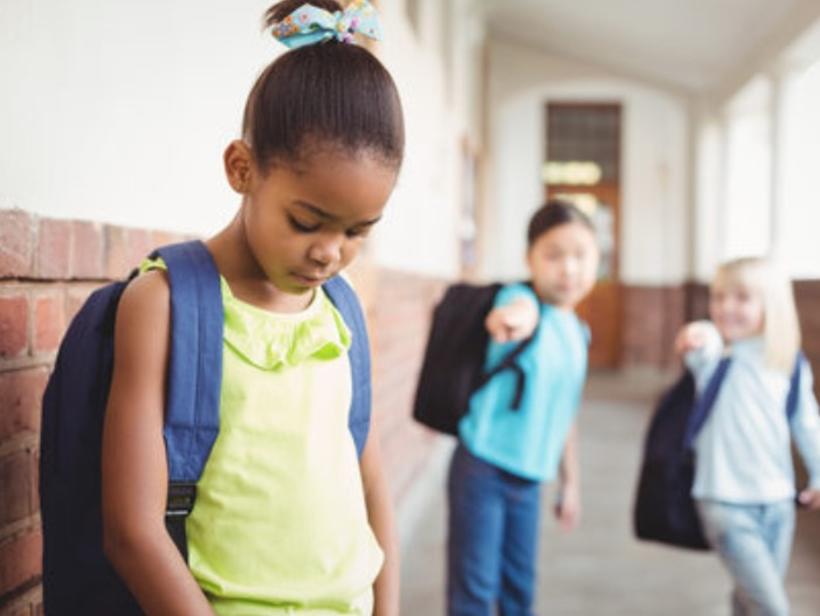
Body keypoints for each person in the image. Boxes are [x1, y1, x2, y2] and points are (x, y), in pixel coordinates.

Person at [100, 1, 404, 614]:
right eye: (306, 221)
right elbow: (131, 531)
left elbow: (368, 480)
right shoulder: (165, 305)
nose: (329, 254)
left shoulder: (340, 312)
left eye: (357, 232)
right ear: (242, 168)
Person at [447, 200, 600, 616]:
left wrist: (570, 483)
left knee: (519, 591)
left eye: (580, 256)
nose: (568, 269)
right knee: (474, 590)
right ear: (529, 259)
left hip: (531, 479)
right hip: (483, 467)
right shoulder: (521, 299)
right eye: (553, 255)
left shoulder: (578, 332)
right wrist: (510, 321)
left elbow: (565, 413)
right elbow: (516, 313)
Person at [675, 256, 820, 616]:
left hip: (777, 504)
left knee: (748, 601)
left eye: (741, 298)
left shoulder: (789, 363)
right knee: (772, 608)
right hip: (723, 503)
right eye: (719, 297)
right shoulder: (715, 358)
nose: (726, 307)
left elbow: (807, 423)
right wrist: (698, 332)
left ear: (772, 305)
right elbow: (703, 337)